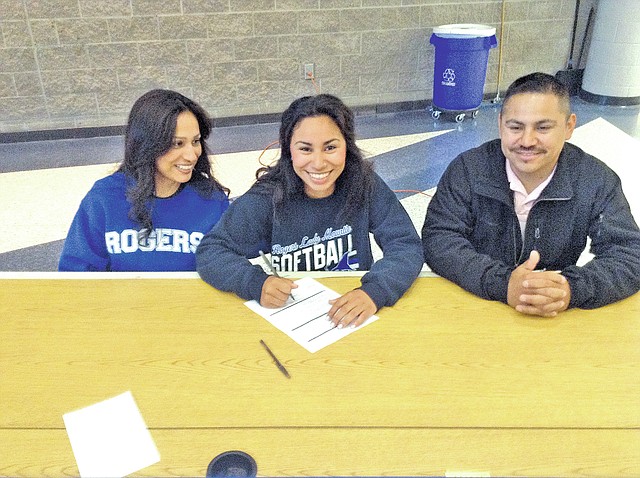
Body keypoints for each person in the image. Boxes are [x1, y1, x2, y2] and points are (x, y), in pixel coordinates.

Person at [422, 72, 640, 317]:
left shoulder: (595, 179)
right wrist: (503, 283)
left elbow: (630, 253)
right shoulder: (468, 169)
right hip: (477, 301)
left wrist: (570, 288)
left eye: (543, 127)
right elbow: (438, 238)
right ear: (500, 123)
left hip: (553, 312)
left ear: (569, 126)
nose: (527, 141)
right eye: (515, 127)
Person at [196, 94, 423, 328]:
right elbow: (211, 251)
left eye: (330, 147)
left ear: (348, 146)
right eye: (305, 149)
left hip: (356, 308)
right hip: (294, 316)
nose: (318, 163)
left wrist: (376, 291)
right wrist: (255, 283)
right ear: (288, 151)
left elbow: (405, 244)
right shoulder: (267, 196)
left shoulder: (365, 184)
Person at [59, 89, 229, 271]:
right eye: (177, 143)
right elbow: (75, 275)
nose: (191, 155)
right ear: (148, 144)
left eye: (195, 141)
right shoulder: (104, 198)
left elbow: (232, 269)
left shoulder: (212, 201)